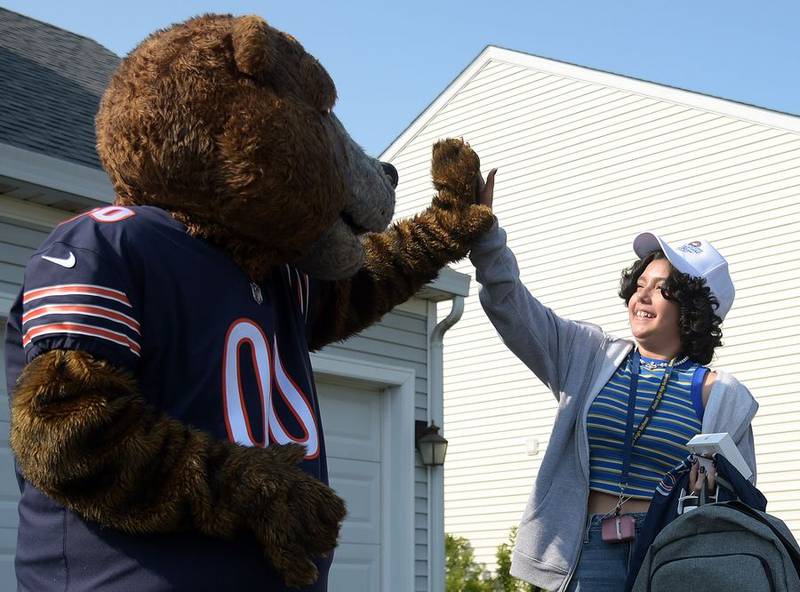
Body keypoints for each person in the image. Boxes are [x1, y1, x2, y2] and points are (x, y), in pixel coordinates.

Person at [468, 169, 758, 592]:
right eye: (639, 283)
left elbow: (741, 503)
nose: (641, 296)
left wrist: (715, 486)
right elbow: (512, 307)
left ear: (694, 307)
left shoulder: (723, 395)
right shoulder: (587, 354)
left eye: (661, 289)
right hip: (588, 551)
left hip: (672, 555)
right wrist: (485, 236)